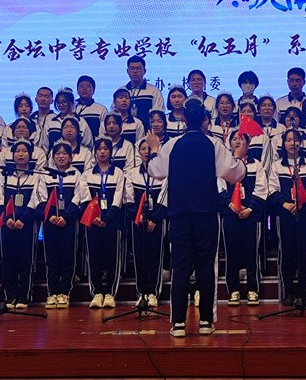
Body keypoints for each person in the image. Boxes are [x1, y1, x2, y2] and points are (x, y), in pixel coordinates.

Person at [146, 98, 247, 338]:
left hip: (179, 215)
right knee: (206, 267)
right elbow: (235, 175)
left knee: (180, 267)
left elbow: (155, 171)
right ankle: (205, 322)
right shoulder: (214, 144)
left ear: (182, 119)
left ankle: (178, 323)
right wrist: (239, 156)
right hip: (206, 215)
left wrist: (154, 149)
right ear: (205, 120)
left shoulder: (172, 145)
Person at [268, 128, 306, 306]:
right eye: (288, 140)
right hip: (284, 213)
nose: (292, 143)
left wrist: (300, 204)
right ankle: (288, 291)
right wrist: (285, 204)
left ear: (301, 143)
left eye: (296, 140)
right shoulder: (277, 166)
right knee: (286, 252)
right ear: (283, 144)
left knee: (305, 252)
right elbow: (272, 189)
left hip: (305, 213)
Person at [219, 131, 268, 307]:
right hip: (230, 215)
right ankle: (233, 290)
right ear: (230, 143)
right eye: (234, 139)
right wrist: (231, 205)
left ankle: (253, 289)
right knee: (232, 253)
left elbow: (261, 189)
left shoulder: (256, 164)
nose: (238, 142)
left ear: (248, 145)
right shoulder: (224, 165)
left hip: (251, 216)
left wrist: (250, 208)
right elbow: (220, 188)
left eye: (241, 139)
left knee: (251, 253)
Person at [79, 137, 126, 309]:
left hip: (112, 222)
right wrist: (95, 218)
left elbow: (118, 198)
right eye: (99, 149)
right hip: (93, 221)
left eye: (106, 149)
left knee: (112, 257)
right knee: (94, 257)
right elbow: (85, 198)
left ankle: (110, 293)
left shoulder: (118, 173)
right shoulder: (87, 174)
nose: (102, 151)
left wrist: (107, 218)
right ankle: (97, 292)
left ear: (111, 152)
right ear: (95, 152)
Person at [36, 140, 83, 309]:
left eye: (64, 154)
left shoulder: (76, 174)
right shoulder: (45, 174)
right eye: (58, 154)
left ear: (71, 157)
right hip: (50, 222)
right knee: (52, 258)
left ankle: (65, 293)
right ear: (53, 157)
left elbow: (79, 198)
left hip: (69, 223)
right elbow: (40, 197)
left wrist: (66, 217)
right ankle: (52, 292)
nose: (61, 156)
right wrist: (50, 216)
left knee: (68, 257)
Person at [124, 139, 168, 308]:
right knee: (140, 257)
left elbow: (165, 197)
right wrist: (140, 217)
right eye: (143, 149)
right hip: (138, 221)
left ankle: (153, 292)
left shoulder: (163, 173)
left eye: (149, 148)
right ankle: (141, 293)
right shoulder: (132, 173)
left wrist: (155, 219)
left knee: (155, 256)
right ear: (139, 152)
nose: (146, 152)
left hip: (157, 221)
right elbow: (128, 199)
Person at [0, 139, 41, 309]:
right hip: (7, 224)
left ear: (30, 155)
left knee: (26, 260)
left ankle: (24, 296)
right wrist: (7, 219)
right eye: (17, 151)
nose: (20, 154)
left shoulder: (36, 176)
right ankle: (9, 296)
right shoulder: (5, 176)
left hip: (27, 225)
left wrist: (23, 219)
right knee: (8, 260)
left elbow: (36, 200)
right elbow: (0, 199)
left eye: (24, 151)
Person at [121, 56, 165, 130]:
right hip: (125, 132)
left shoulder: (154, 91)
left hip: (147, 132)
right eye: (132, 68)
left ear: (144, 71)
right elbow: (114, 112)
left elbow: (159, 114)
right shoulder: (122, 91)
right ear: (127, 71)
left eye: (138, 68)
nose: (135, 71)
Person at [75, 75, 108, 139]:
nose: (84, 89)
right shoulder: (72, 107)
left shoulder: (101, 109)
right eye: (81, 86)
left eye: (88, 86)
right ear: (77, 90)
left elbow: (105, 131)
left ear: (94, 90)